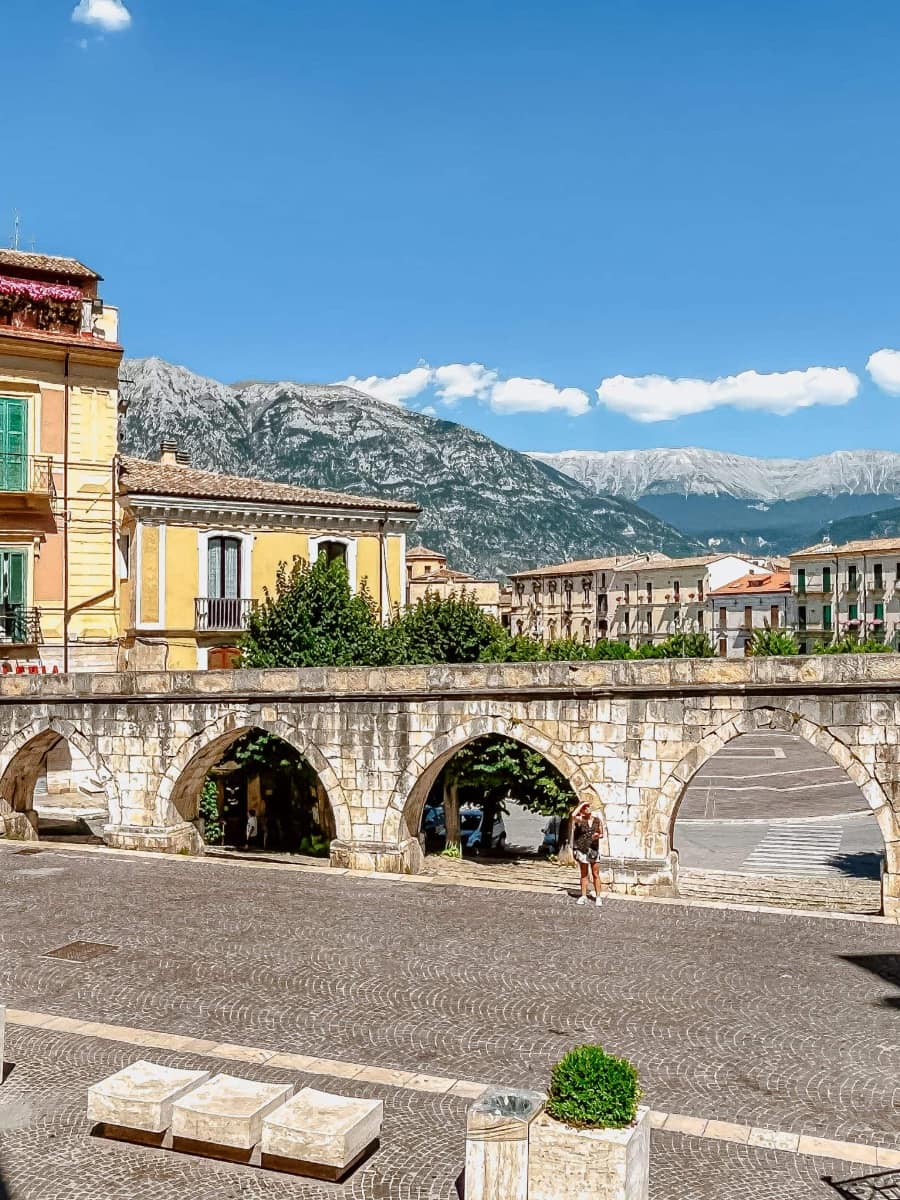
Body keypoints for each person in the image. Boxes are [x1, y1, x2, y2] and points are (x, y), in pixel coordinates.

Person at [571, 800, 603, 907]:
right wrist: (580, 805)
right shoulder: (580, 820)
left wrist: (597, 836)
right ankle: (583, 895)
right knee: (584, 874)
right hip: (583, 849)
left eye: (588, 807)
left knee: (595, 874)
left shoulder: (597, 820)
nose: (587, 809)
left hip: (593, 849)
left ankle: (598, 896)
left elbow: (602, 833)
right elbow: (573, 815)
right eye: (585, 808)